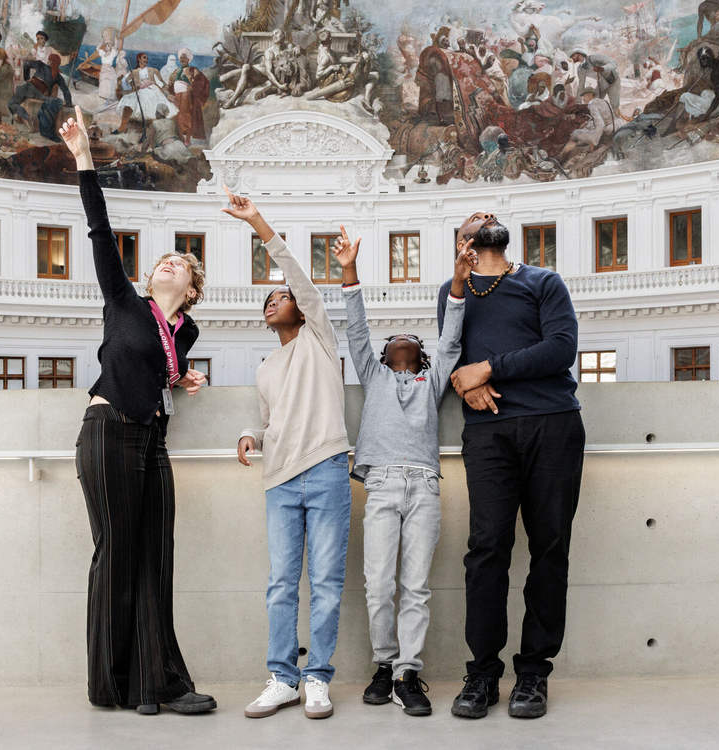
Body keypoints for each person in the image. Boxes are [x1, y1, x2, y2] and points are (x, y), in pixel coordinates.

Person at [57, 105, 217, 716]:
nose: (167, 263)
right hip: (106, 431)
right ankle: (113, 685)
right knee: (115, 553)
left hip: (151, 439)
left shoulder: (188, 332)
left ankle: (159, 682)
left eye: (180, 264)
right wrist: (84, 160)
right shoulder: (124, 300)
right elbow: (99, 230)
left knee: (156, 557)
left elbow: (161, 368)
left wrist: (184, 377)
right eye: (162, 262)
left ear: (192, 289)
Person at [439, 211, 585, 721]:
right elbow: (447, 355)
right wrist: (466, 378)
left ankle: (533, 674)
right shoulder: (453, 292)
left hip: (552, 423)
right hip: (488, 434)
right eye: (472, 220)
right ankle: (481, 673)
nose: (484, 219)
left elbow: (561, 349)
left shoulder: (542, 281)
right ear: (462, 243)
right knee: (486, 550)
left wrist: (491, 367)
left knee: (549, 547)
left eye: (491, 216)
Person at [333, 226, 473, 717]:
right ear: (385, 352)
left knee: (416, 585)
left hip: (424, 487)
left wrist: (458, 282)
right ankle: (382, 665)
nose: (402, 341)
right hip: (383, 485)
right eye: (394, 339)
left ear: (421, 353)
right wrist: (349, 268)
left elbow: (452, 338)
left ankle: (407, 674)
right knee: (377, 583)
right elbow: (354, 328)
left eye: (411, 339)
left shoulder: (433, 381)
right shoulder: (373, 376)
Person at [228, 186, 352, 721]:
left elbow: (296, 275)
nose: (272, 301)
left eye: (280, 297)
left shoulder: (319, 337)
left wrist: (258, 223)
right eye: (267, 300)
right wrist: (253, 434)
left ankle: (317, 679)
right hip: (279, 480)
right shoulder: (265, 367)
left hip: (325, 470)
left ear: (301, 309)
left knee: (325, 583)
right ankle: (282, 678)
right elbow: (273, 418)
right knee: (281, 585)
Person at [9, 53, 72, 140]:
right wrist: (69, 103)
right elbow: (65, 90)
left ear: (50, 61)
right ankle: (26, 118)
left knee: (11, 103)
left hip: (28, 88)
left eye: (49, 60)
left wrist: (26, 79)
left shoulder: (41, 65)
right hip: (40, 95)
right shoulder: (58, 76)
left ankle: (26, 117)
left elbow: (27, 63)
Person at [115, 51, 176, 131]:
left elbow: (161, 84)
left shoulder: (153, 70)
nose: (146, 60)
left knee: (150, 101)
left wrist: (167, 94)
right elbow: (125, 86)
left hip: (153, 91)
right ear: (139, 59)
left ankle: (151, 129)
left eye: (147, 58)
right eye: (144, 57)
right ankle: (122, 127)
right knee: (129, 99)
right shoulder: (133, 72)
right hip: (139, 91)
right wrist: (128, 79)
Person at [167, 47, 208, 145]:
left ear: (188, 59)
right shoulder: (176, 71)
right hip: (176, 96)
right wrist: (170, 94)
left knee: (186, 117)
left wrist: (193, 87)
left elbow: (203, 81)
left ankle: (188, 139)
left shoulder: (193, 70)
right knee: (176, 117)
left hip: (186, 96)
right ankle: (180, 138)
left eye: (184, 58)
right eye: (181, 58)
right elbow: (170, 84)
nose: (182, 60)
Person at [77, 26, 120, 103]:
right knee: (104, 86)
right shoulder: (103, 54)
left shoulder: (111, 54)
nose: (107, 47)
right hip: (103, 70)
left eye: (109, 46)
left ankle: (111, 99)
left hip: (109, 70)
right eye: (106, 46)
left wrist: (116, 39)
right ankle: (106, 101)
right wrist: (103, 42)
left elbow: (116, 47)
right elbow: (98, 48)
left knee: (109, 85)